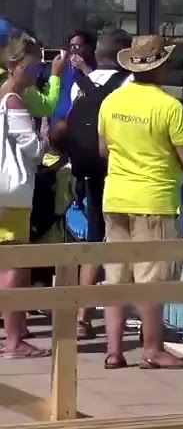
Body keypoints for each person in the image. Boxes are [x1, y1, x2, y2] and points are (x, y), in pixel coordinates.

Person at [98, 35, 183, 369]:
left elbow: (104, 150)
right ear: (162, 66)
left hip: (115, 197)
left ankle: (113, 351)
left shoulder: (111, 101)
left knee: (116, 278)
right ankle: (152, 349)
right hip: (154, 199)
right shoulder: (169, 107)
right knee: (151, 280)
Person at [63, 28, 133, 338]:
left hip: (88, 172)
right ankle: (131, 318)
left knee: (94, 241)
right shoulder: (129, 83)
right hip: (121, 172)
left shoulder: (79, 85)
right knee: (125, 244)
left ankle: (81, 316)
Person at [0, 33, 49, 359]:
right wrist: (44, 136)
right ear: (16, 64)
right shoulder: (14, 100)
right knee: (13, 268)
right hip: (12, 193)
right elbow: (31, 150)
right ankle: (14, 341)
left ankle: (15, 332)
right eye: (33, 68)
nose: (37, 75)